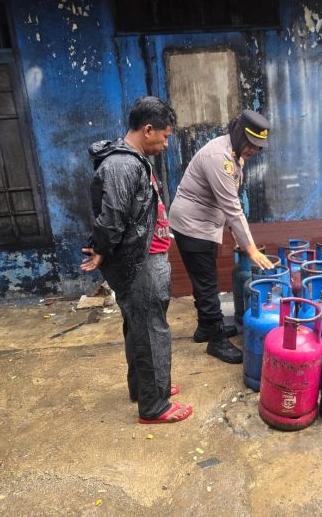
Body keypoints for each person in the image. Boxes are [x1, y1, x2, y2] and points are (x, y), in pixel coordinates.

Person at [80, 96, 192, 424]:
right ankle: (154, 405)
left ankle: (146, 388)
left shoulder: (132, 160)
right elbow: (112, 216)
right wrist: (101, 248)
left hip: (144, 257)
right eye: (165, 136)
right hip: (141, 261)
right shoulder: (123, 165)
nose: (166, 144)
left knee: (139, 325)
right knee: (151, 329)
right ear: (148, 130)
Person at [169, 110, 274, 364]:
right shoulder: (220, 158)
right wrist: (250, 248)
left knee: (204, 279)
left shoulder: (234, 153)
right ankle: (216, 341)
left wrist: (235, 233)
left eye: (258, 146)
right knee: (207, 284)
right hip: (192, 226)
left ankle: (205, 328)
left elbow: (225, 199)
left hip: (203, 225)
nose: (253, 150)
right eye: (250, 143)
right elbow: (232, 206)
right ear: (239, 134)